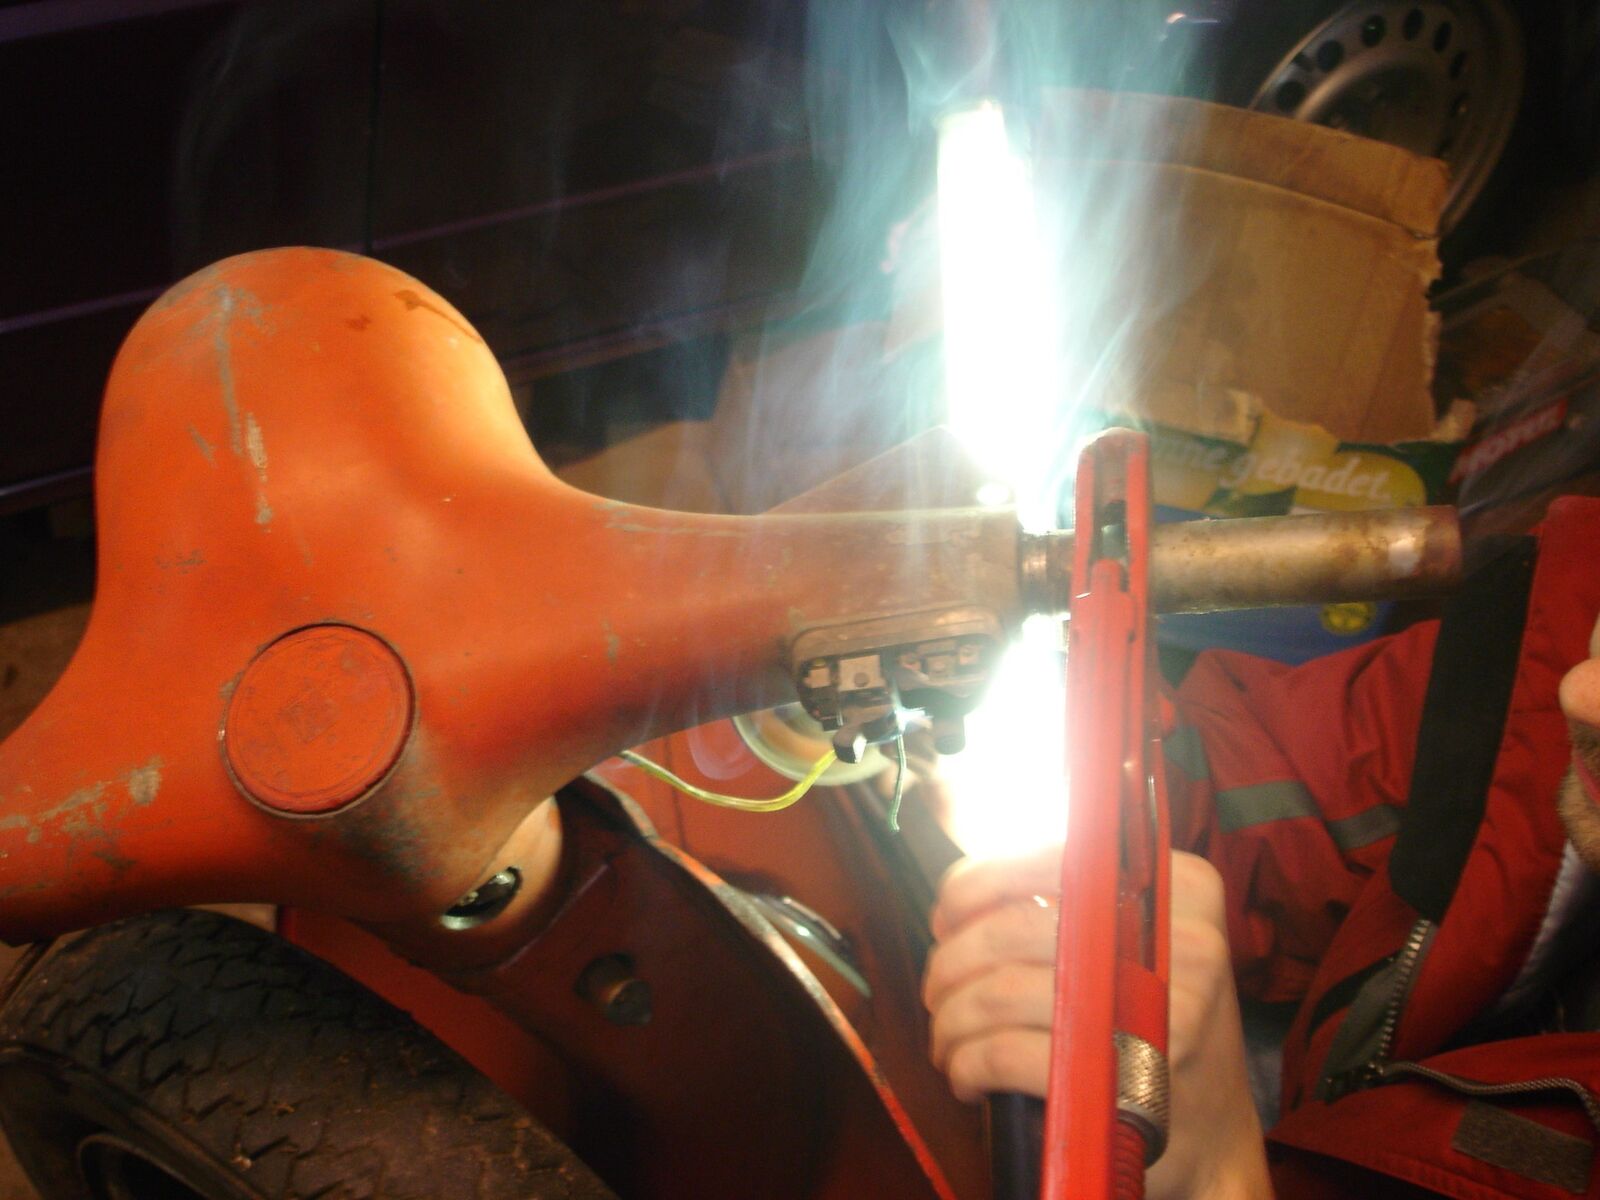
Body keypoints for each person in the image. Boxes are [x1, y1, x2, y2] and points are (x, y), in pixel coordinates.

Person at [924, 496, 1600, 1198]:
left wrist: (1221, 1180)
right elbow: (1292, 776)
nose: (1580, 693)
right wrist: (1092, 760)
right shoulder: (1566, 628)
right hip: (1349, 1098)